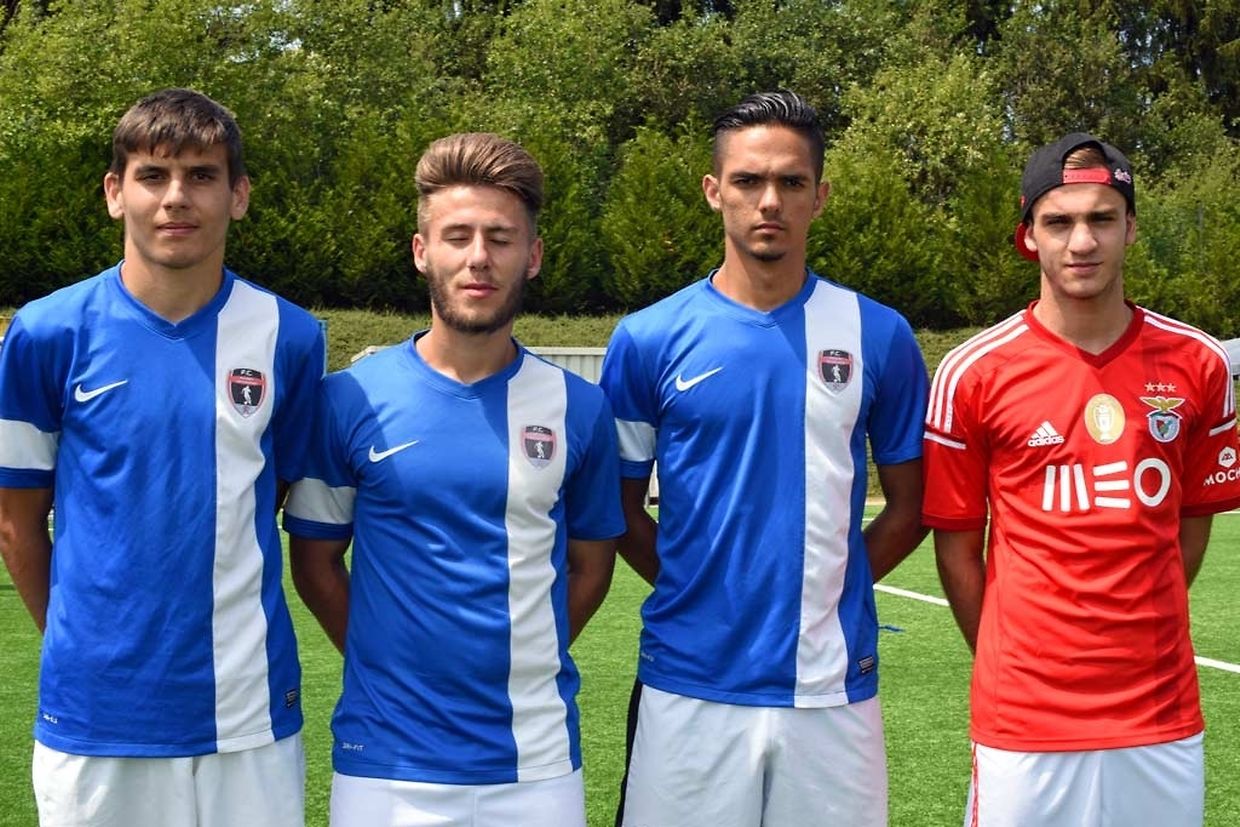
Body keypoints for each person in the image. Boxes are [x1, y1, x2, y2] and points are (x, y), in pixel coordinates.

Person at [599, 90, 929, 827]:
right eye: (748, 181)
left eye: (791, 181)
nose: (769, 200)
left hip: (832, 689)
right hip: (689, 682)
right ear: (714, 191)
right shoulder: (648, 338)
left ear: (820, 196)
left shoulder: (878, 334)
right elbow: (618, 512)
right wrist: (699, 589)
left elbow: (912, 508)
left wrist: (829, 590)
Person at [0, 88, 324, 826]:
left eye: (203, 175)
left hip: (247, 711)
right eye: (153, 175)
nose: (177, 197)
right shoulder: (47, 333)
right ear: (116, 192)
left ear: (238, 195)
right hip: (97, 714)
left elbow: (273, 498)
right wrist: (86, 648)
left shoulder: (291, 337)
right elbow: (16, 523)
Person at [283, 132, 623, 827]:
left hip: (535, 763)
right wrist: (387, 667)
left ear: (533, 255)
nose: (478, 258)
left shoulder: (579, 408)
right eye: (457, 236)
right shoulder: (347, 399)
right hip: (386, 763)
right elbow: (315, 562)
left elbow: (592, 566)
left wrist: (525, 659)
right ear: (422, 251)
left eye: (500, 238)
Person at [923, 132, 1240, 826]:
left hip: (1160, 711)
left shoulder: (1199, 362)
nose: (1083, 241)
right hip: (1025, 716)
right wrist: (1016, 656)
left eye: (1102, 218)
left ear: (1131, 228)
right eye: (1059, 222)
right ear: (1028, 236)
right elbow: (957, 551)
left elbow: (1190, 529)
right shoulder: (973, 372)